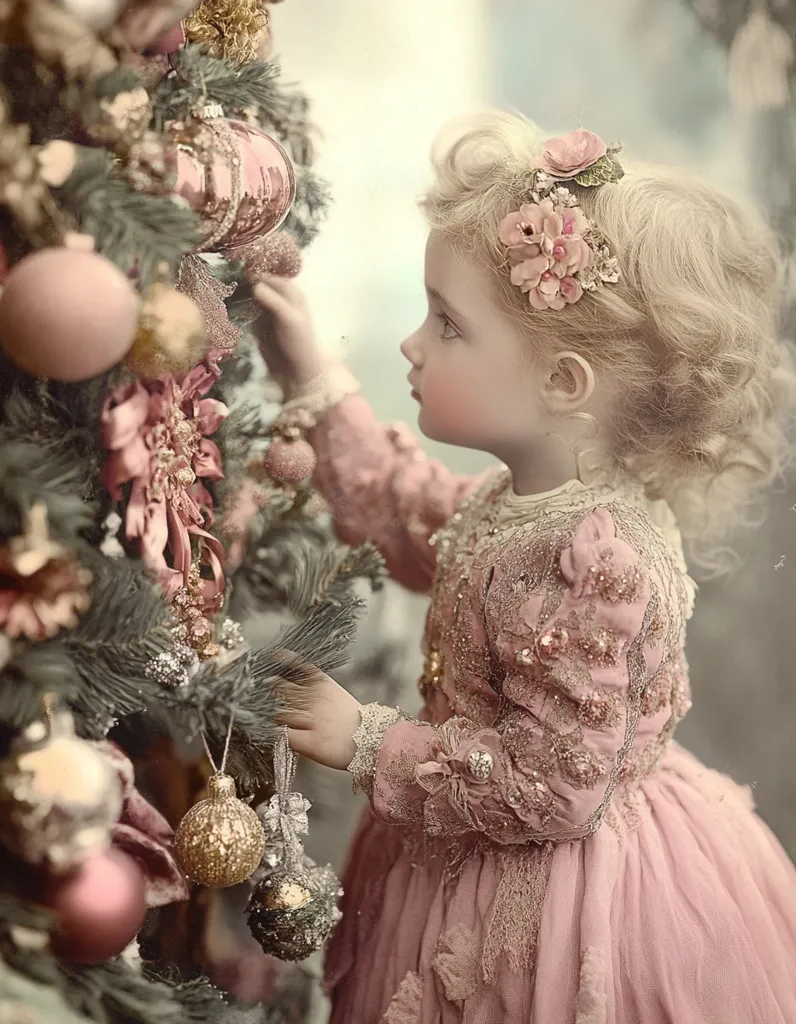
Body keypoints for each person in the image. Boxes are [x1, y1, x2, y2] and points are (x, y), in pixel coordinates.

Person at [251, 113, 796, 1024]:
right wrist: (314, 376)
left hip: (560, 893)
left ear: (565, 384)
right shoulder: (522, 500)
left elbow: (556, 785)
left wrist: (368, 739)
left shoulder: (597, 556)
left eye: (449, 325)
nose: (411, 346)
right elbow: (414, 511)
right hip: (460, 853)